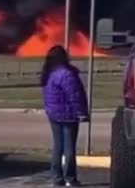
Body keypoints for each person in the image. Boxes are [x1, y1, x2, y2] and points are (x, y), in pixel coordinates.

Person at [41, 45, 89, 187]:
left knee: (58, 147)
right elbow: (75, 95)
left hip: (53, 114)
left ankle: (56, 177)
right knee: (69, 148)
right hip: (68, 115)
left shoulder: (49, 73)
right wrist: (81, 112)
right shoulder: (67, 74)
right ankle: (70, 178)